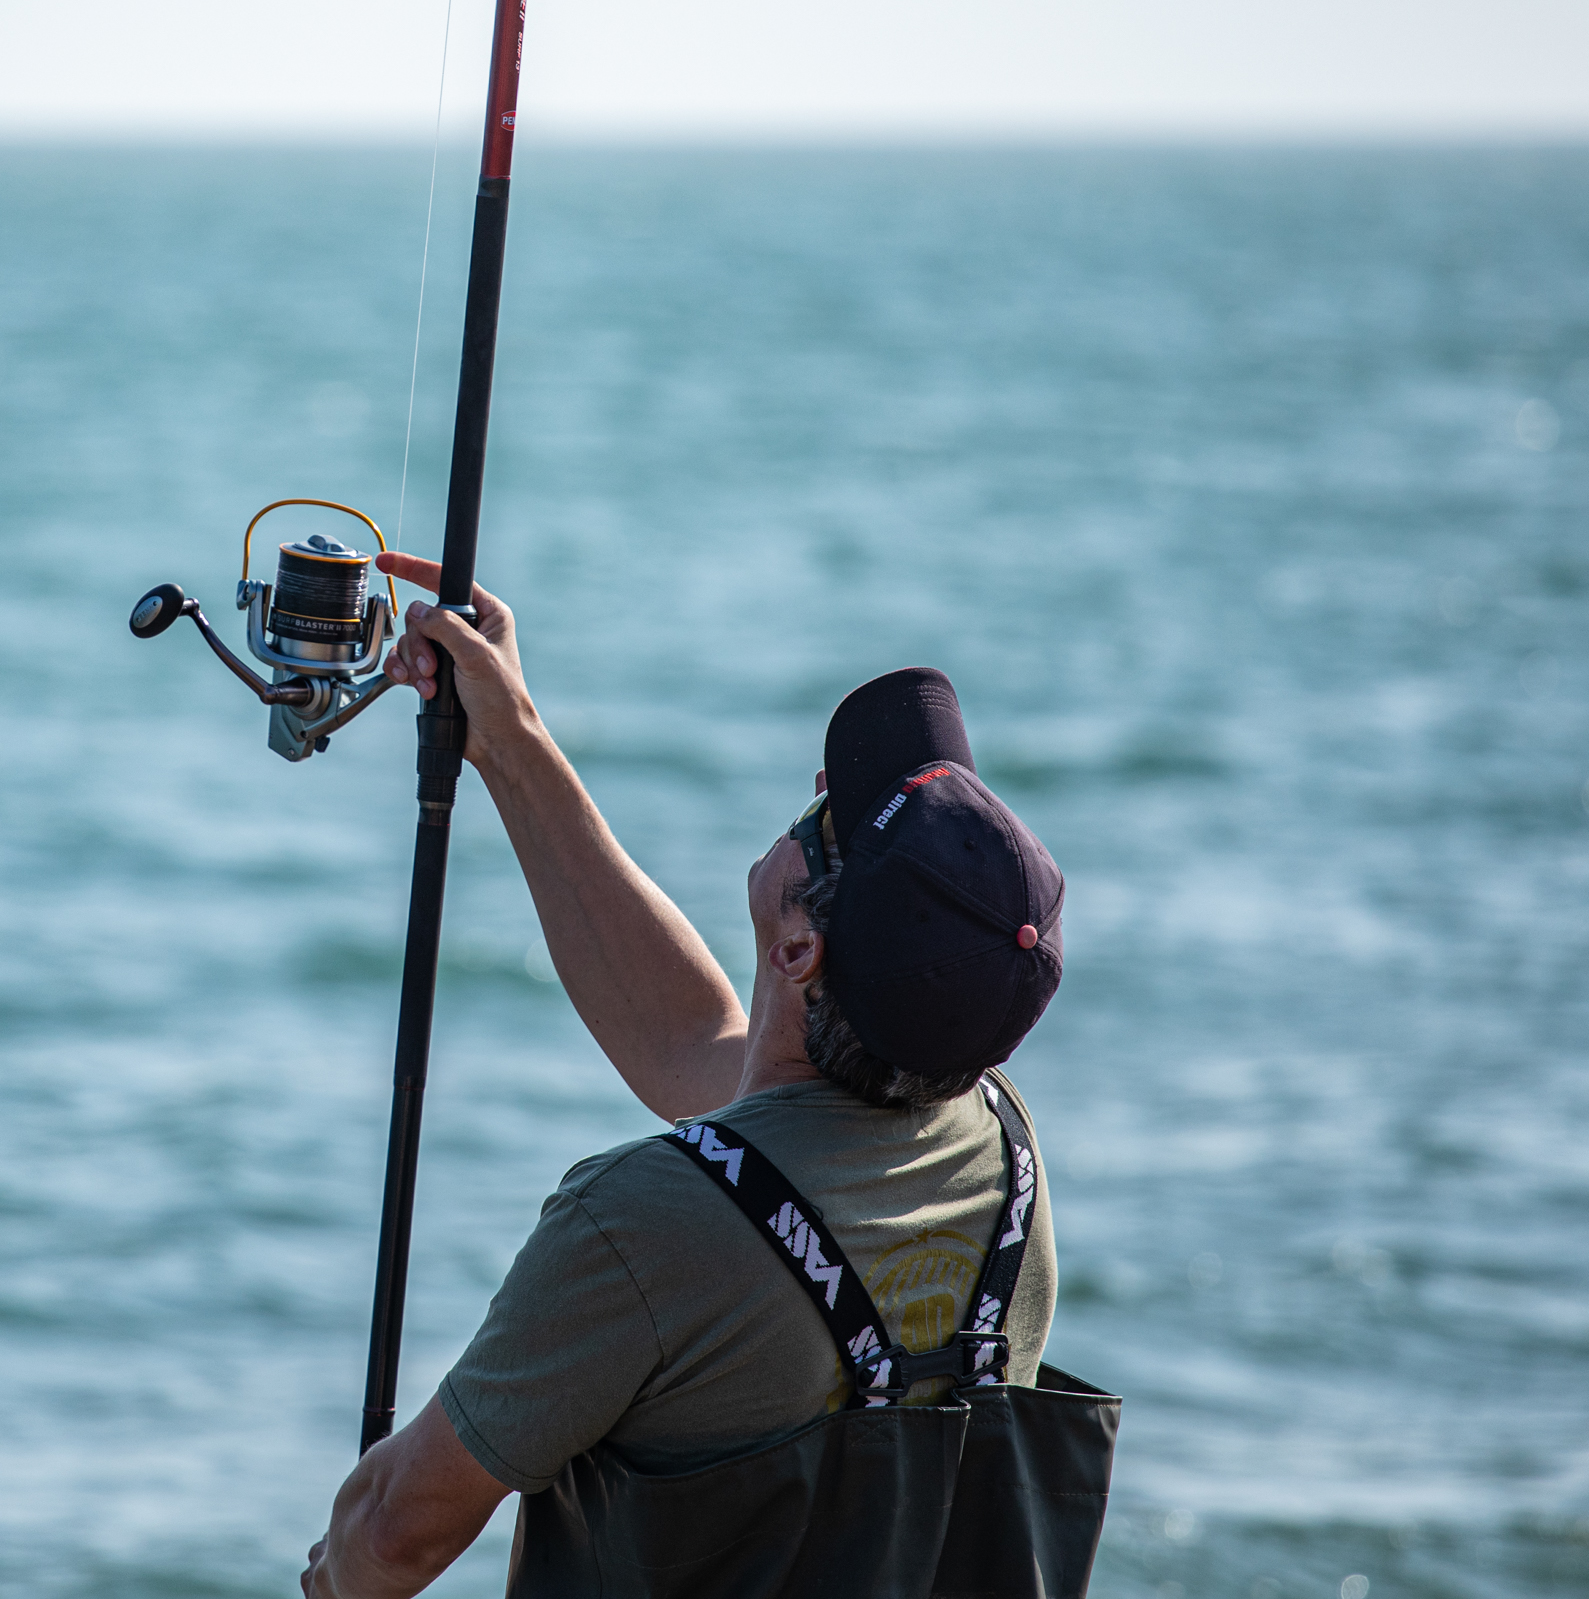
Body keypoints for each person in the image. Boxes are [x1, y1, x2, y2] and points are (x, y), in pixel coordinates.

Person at [301, 556, 1076, 1599]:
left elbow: (392, 1536)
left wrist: (333, 1560)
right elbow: (703, 1060)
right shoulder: (1001, 1148)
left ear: (799, 947)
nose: (815, 790)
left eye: (836, 814)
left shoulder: (646, 1226)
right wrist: (510, 741)